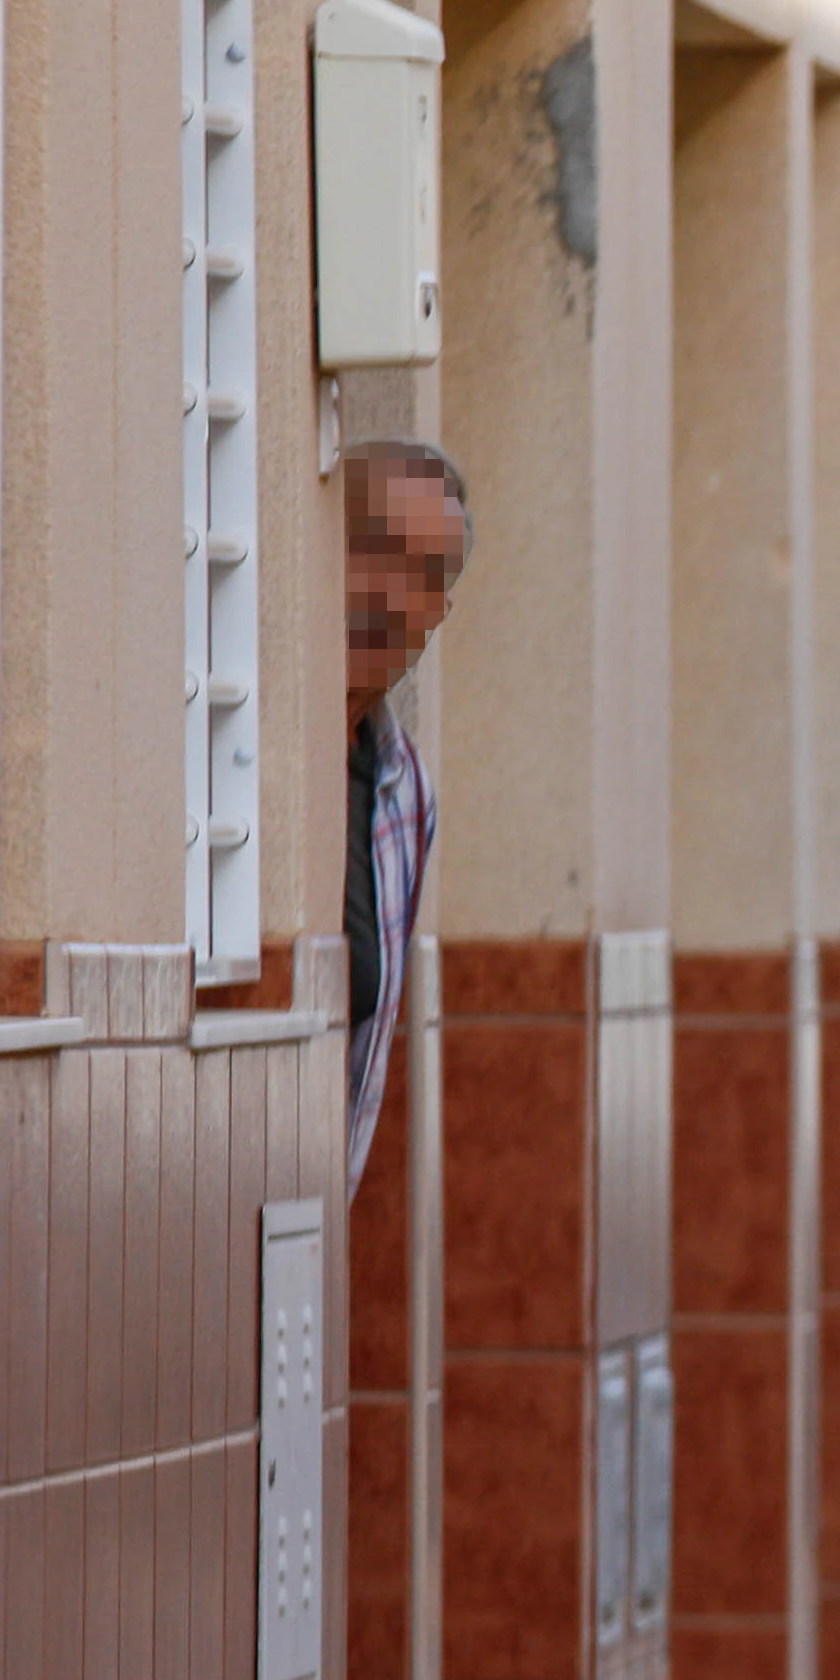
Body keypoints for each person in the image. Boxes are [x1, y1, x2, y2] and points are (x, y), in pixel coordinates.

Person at [343, 440, 467, 1196]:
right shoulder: (232, 758)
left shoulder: (404, 789)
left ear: (439, 615)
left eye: (424, 578)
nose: (391, 597)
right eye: (376, 550)